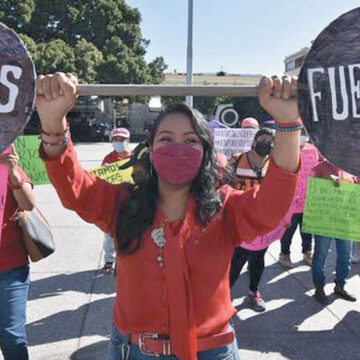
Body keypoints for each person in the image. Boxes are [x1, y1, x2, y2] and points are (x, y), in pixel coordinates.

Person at [36, 72, 300, 360]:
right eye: (166, 139)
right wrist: (52, 122)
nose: (178, 148)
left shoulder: (226, 207)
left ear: (206, 152)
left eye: (190, 141)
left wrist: (288, 123)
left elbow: (273, 202)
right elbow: (74, 187)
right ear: (150, 150)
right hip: (133, 352)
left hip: (212, 352)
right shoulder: (122, 202)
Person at [229, 128, 275, 312]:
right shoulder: (238, 159)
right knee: (237, 260)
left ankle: (253, 292)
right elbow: (223, 183)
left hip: (262, 221)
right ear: (254, 142)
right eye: (262, 139)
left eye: (270, 141)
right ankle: (223, 297)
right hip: (240, 220)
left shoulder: (273, 164)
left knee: (258, 258)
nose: (267, 143)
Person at [0, 148, 36, 360]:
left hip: (10, 269)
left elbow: (28, 204)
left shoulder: (11, 170)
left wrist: (12, 173)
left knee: (11, 336)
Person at [311, 159, 357, 304]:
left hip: (345, 222)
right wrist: (328, 185)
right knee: (320, 256)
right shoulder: (319, 168)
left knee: (345, 256)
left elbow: (355, 195)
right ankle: (319, 289)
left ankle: (340, 286)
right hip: (324, 222)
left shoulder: (350, 169)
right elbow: (311, 191)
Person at [278, 129, 319, 268]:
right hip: (291, 200)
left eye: (305, 133)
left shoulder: (313, 150)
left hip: (308, 199)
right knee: (289, 229)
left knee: (307, 229)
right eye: (301, 133)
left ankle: (307, 252)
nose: (303, 136)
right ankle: (284, 254)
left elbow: (318, 167)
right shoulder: (288, 149)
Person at [102, 128, 132, 273]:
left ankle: (129, 259)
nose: (119, 142)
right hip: (113, 201)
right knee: (109, 233)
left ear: (128, 141)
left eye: (122, 140)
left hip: (133, 201)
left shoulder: (135, 158)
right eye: (116, 140)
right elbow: (101, 179)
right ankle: (109, 259)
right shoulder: (108, 159)